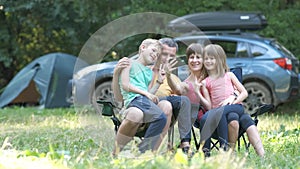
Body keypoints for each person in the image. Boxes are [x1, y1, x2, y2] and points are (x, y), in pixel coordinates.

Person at [200, 44, 265, 157]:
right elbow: (210, 107)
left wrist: (233, 100)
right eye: (206, 59)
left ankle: (262, 155)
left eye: (212, 58)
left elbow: (244, 93)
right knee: (235, 118)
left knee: (228, 113)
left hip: (235, 106)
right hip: (220, 115)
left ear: (219, 60)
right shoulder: (205, 82)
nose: (208, 61)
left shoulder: (229, 75)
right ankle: (227, 153)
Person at [112, 38, 167, 155]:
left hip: (141, 100)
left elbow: (148, 93)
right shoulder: (128, 63)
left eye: (157, 55)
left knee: (160, 117)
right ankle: (142, 150)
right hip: (133, 100)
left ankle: (142, 151)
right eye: (153, 50)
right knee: (160, 117)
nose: (154, 55)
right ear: (143, 48)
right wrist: (146, 93)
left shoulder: (149, 72)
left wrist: (158, 82)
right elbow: (126, 85)